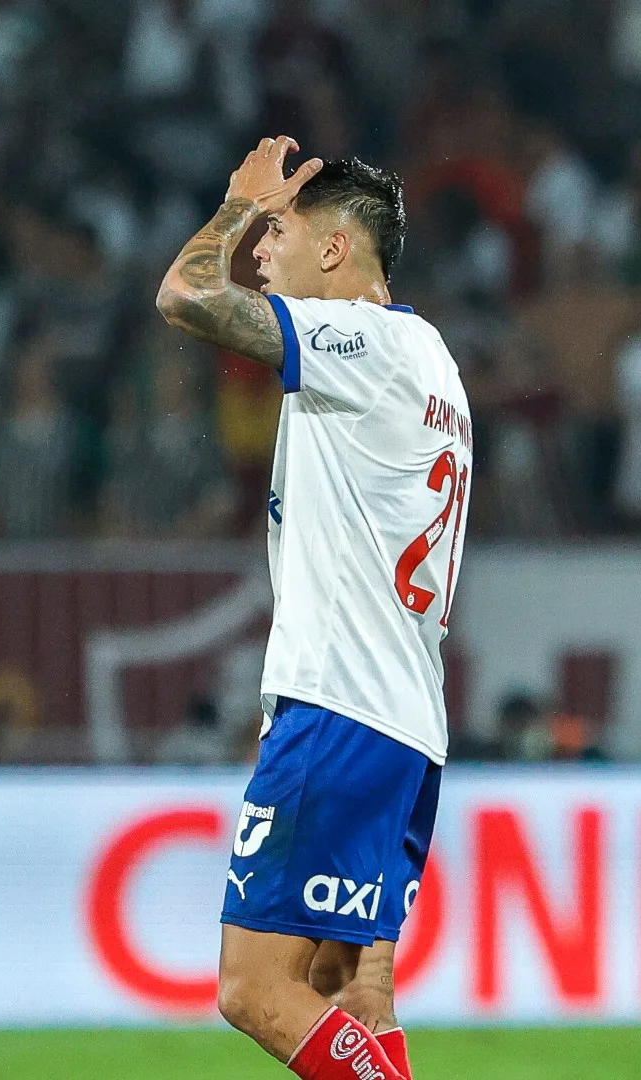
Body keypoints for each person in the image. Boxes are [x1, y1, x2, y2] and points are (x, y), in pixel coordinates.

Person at [157, 137, 469, 1080]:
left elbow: (186, 297)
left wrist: (235, 202)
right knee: (348, 987)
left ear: (336, 249)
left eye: (280, 231)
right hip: (405, 723)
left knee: (252, 987)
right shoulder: (434, 364)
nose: (261, 248)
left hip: (341, 708)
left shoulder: (365, 343)